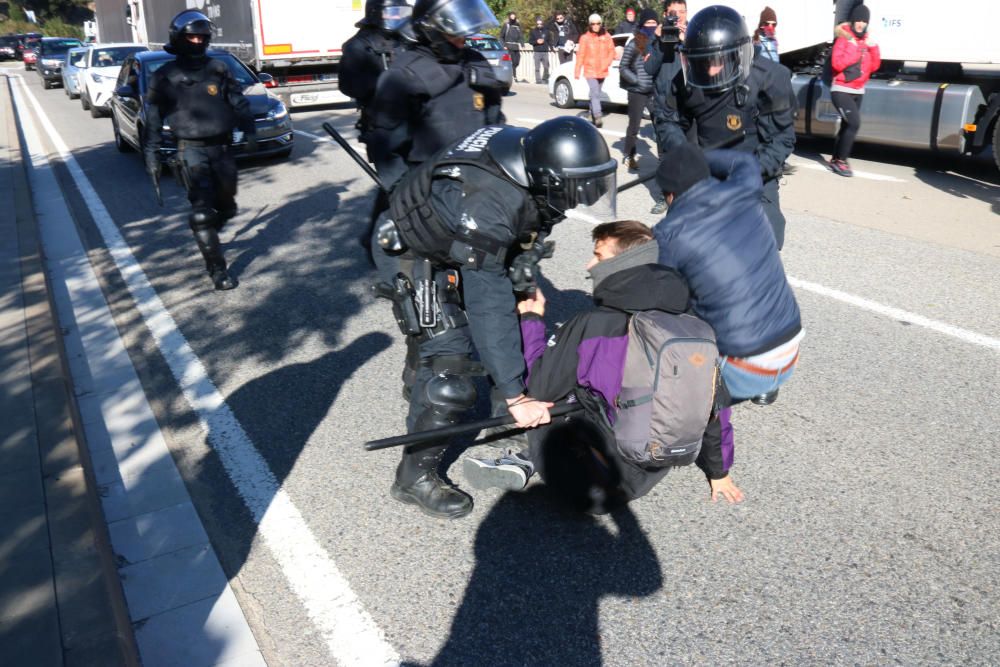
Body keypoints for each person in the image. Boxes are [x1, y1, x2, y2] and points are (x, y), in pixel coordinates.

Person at [371, 117, 618, 518]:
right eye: (573, 190)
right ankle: (412, 478)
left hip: (457, 233)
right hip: (408, 247)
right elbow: (489, 304)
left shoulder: (528, 158)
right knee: (451, 371)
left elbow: (529, 220)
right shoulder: (490, 201)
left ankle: (419, 377)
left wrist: (522, 259)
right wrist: (515, 393)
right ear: (549, 178)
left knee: (486, 335)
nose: (578, 200)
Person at [463, 220, 742, 513]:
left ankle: (528, 458)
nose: (588, 265)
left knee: (550, 390)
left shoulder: (595, 325)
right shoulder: (694, 328)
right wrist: (719, 472)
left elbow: (537, 385)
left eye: (598, 256)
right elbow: (716, 408)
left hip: (584, 480)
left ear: (624, 264)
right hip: (644, 474)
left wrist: (531, 321)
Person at [653, 144, 802, 404]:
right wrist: (698, 159)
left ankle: (702, 408)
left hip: (744, 367)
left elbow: (661, 301)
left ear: (670, 195)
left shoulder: (669, 233)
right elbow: (743, 160)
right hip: (790, 349)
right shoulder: (744, 188)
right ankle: (762, 387)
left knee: (661, 322)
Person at [657, 5, 796, 250]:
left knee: (764, 241)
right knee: (679, 244)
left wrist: (752, 171)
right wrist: (686, 156)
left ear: (737, 55)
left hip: (755, 174)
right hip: (706, 173)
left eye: (717, 61)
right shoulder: (688, 79)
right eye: (703, 61)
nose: (710, 70)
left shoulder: (770, 78)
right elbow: (668, 120)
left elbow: (781, 138)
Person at [144, 10, 256, 291]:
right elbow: (154, 118)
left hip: (222, 148)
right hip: (190, 152)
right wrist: (152, 153)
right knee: (202, 212)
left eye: (201, 36)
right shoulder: (164, 76)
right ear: (179, 38)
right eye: (191, 36)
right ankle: (217, 269)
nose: (197, 41)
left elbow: (237, 100)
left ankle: (206, 233)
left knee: (227, 207)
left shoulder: (219, 68)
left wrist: (250, 127)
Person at [367, 0, 506, 191]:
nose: (464, 36)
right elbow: (386, 145)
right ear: (432, 29)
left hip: (480, 176)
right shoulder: (403, 75)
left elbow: (495, 119)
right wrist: (404, 192)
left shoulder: (476, 61)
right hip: (429, 185)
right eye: (454, 30)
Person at [339, 0, 411, 146]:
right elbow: (350, 86)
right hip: (384, 123)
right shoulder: (358, 46)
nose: (398, 17)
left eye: (401, 13)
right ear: (376, 14)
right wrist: (385, 84)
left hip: (417, 120)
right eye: (392, 13)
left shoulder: (408, 37)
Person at [644, 0, 688, 214]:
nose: (678, 16)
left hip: (688, 108)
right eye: (673, 12)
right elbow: (649, 68)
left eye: (682, 12)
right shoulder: (656, 38)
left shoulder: (694, 37)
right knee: (665, 158)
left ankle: (689, 199)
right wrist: (661, 41)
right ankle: (665, 197)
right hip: (663, 109)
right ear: (665, 14)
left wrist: (686, 43)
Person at [828, 4, 880, 177]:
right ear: (852, 20)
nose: (860, 24)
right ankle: (841, 161)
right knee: (854, 123)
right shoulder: (844, 38)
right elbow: (837, 64)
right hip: (841, 89)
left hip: (858, 90)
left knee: (846, 125)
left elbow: (874, 66)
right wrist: (852, 47)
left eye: (864, 21)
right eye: (858, 20)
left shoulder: (865, 41)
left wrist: (873, 48)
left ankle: (835, 158)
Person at [619, 9, 659, 171]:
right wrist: (636, 81)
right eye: (648, 23)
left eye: (654, 23)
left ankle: (664, 160)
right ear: (642, 24)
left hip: (654, 91)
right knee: (634, 126)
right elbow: (623, 67)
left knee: (661, 125)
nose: (651, 26)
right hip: (637, 91)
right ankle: (629, 155)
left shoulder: (659, 41)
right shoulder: (635, 42)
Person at [574, 14, 616, 128]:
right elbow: (580, 55)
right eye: (593, 23)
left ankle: (592, 114)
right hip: (590, 70)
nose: (596, 26)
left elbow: (612, 51)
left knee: (595, 94)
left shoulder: (607, 36)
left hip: (602, 70)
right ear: (589, 24)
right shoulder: (585, 38)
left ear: (601, 24)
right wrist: (577, 70)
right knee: (595, 92)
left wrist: (606, 63)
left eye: (598, 23)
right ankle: (598, 116)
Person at [500, 12, 525, 83]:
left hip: (516, 46)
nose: (513, 17)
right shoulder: (506, 25)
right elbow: (501, 36)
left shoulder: (517, 25)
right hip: (508, 46)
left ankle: (511, 72)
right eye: (512, 16)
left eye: (514, 15)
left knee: (517, 62)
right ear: (509, 17)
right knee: (513, 61)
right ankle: (514, 76)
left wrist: (522, 45)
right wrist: (504, 45)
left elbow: (521, 36)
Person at [528, 16, 551, 84]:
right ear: (536, 24)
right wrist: (536, 42)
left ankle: (545, 78)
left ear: (542, 24)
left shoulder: (547, 31)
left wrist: (551, 47)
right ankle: (538, 80)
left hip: (545, 51)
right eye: (538, 24)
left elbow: (550, 40)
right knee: (537, 67)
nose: (539, 25)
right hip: (537, 51)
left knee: (546, 66)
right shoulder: (533, 31)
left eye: (540, 24)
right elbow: (530, 41)